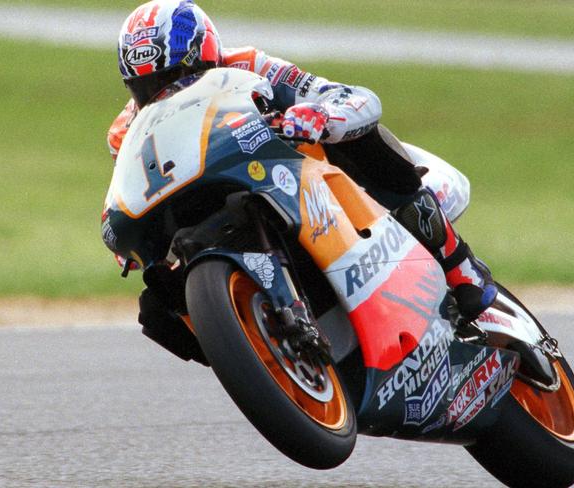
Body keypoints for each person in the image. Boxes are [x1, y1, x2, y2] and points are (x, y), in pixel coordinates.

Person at [108, 0, 497, 361]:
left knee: (359, 140)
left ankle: (458, 263)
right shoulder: (126, 133)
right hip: (211, 212)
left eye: (178, 77)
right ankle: (261, 360)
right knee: (156, 310)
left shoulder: (248, 65)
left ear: (209, 57)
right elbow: (131, 196)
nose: (166, 93)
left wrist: (321, 116)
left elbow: (353, 97)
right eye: (148, 86)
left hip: (303, 180)